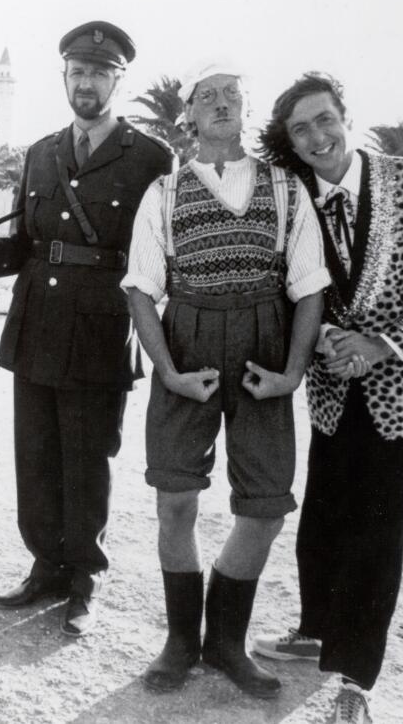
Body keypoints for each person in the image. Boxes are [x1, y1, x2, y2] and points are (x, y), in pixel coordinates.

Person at [252, 72, 403, 723]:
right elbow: (283, 287)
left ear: (346, 117)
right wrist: (324, 335)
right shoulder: (291, 195)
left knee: (377, 530)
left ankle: (354, 681)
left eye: (325, 119)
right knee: (323, 518)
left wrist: (385, 345)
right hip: (331, 389)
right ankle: (314, 630)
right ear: (291, 142)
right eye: (301, 129)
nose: (317, 136)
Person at [0, 22, 171, 637]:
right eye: (78, 72)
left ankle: (85, 576)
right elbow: (27, 239)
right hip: (38, 321)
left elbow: (158, 253)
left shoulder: (151, 158)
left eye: (100, 73)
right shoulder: (42, 152)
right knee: (37, 453)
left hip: (101, 325)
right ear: (64, 78)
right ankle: (45, 564)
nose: (87, 82)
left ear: (117, 81)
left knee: (88, 457)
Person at [122, 66, 329, 697]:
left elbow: (310, 285)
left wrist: (292, 372)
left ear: (245, 110)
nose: (220, 104)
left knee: (264, 507)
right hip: (188, 344)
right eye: (205, 97)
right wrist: (169, 372)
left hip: (265, 345)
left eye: (231, 95)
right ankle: (181, 641)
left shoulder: (287, 188)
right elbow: (140, 288)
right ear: (187, 117)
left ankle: (225, 644)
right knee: (175, 498)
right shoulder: (164, 191)